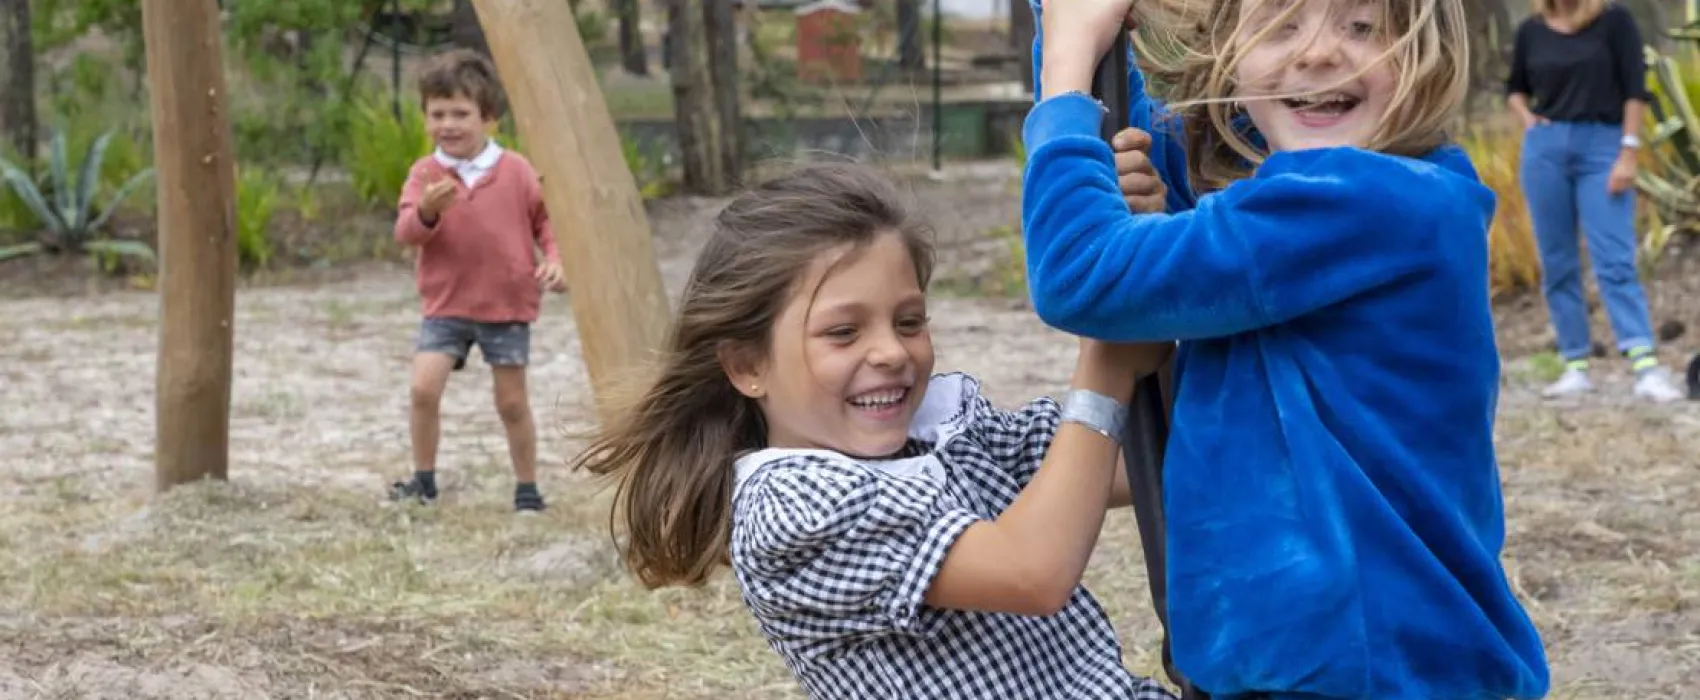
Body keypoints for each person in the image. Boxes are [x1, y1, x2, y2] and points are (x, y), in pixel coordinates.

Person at [1023, 0, 1551, 698]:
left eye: (1361, 27)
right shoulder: (1338, 195)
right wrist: (1079, 28)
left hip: (1363, 671)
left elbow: (1081, 272)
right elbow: (1177, 151)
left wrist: (1065, 73)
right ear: (1231, 54)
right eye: (1279, 27)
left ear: (1431, 55)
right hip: (1337, 663)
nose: (1317, 54)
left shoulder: (1367, 203)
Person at [570, 162, 1180, 699]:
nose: (891, 351)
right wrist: (1103, 368)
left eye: (909, 320)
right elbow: (1033, 572)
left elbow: (1148, 458)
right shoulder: (791, 510)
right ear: (747, 366)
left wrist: (1135, 254)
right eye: (843, 332)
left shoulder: (941, 435)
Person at [390, 49, 566, 511]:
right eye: (437, 114)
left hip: (506, 304)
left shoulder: (517, 171)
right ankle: (423, 481)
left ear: (488, 118)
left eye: (460, 114)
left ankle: (527, 489)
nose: (448, 124)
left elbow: (548, 223)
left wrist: (555, 260)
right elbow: (405, 233)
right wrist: (427, 211)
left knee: (511, 403)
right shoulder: (425, 174)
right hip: (445, 304)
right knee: (423, 389)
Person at [1506, 0, 1684, 402]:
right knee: (1557, 262)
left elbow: (1635, 89)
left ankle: (1645, 366)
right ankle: (1575, 365)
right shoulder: (1532, 30)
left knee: (1614, 258)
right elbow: (1515, 89)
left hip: (1603, 146)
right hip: (1545, 151)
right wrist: (1529, 122)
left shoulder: (1614, 21)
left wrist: (1628, 150)